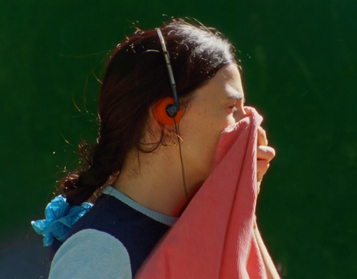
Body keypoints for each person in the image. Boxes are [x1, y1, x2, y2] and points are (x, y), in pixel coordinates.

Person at [31, 18, 278, 278]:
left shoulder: (206, 221)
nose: (249, 124)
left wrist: (243, 202)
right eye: (231, 108)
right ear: (167, 115)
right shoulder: (99, 252)